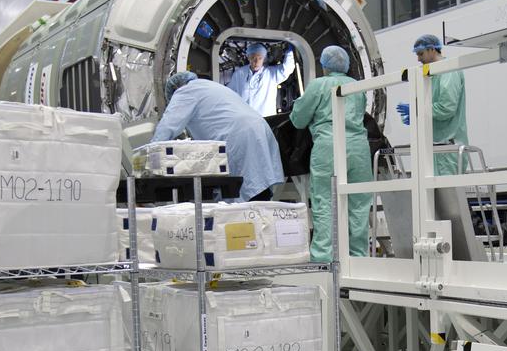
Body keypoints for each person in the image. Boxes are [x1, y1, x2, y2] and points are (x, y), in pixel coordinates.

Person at [289, 45, 371, 262]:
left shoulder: (319, 85)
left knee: (324, 201)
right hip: (359, 149)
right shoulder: (358, 85)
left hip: (329, 148)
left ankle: (324, 259)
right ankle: (359, 258)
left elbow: (298, 119)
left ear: (324, 65)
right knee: (360, 204)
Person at [153, 71, 285, 201]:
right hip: (261, 129)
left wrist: (150, 157)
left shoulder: (185, 91)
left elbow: (168, 125)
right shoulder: (212, 86)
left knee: (245, 192)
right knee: (258, 186)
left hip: (238, 135)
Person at [395, 33, 468, 175]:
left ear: (432, 49)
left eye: (421, 54)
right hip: (434, 148)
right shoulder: (430, 75)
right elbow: (430, 107)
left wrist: (419, 110)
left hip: (447, 149)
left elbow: (446, 108)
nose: (418, 59)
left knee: (449, 195)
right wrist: (418, 116)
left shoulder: (448, 70)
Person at [225, 42, 297, 116]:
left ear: (264, 59)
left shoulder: (271, 73)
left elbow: (287, 68)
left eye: (260, 58)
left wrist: (290, 51)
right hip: (245, 118)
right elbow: (229, 92)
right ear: (248, 57)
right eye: (253, 58)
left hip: (266, 118)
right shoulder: (239, 73)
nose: (256, 61)